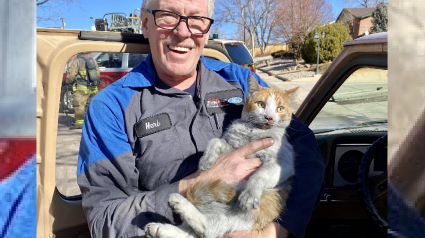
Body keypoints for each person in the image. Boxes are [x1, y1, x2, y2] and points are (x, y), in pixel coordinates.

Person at [77, 0, 325, 237]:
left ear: (207, 31)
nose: (183, 32)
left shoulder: (240, 81)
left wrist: (278, 228)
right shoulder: (112, 106)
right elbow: (105, 219)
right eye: (168, 16)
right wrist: (194, 184)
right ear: (145, 23)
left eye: (196, 19)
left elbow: (305, 150)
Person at [65, 52, 100, 130]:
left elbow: (71, 75)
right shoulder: (93, 60)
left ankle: (79, 123)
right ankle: (90, 123)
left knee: (79, 105)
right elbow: (98, 73)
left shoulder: (77, 61)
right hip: (93, 88)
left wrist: (67, 81)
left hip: (82, 88)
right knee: (90, 105)